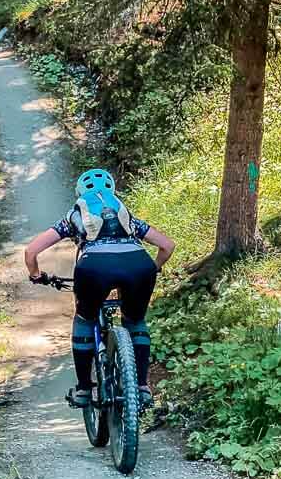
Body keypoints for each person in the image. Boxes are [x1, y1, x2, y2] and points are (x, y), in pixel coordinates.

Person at [24, 169, 175, 407]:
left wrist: (36, 275)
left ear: (80, 193)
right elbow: (167, 245)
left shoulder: (74, 217)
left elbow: (31, 251)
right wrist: (153, 267)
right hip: (138, 264)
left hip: (93, 269)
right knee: (135, 321)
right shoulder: (127, 217)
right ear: (112, 191)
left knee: (84, 320)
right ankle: (143, 387)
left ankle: (84, 390)